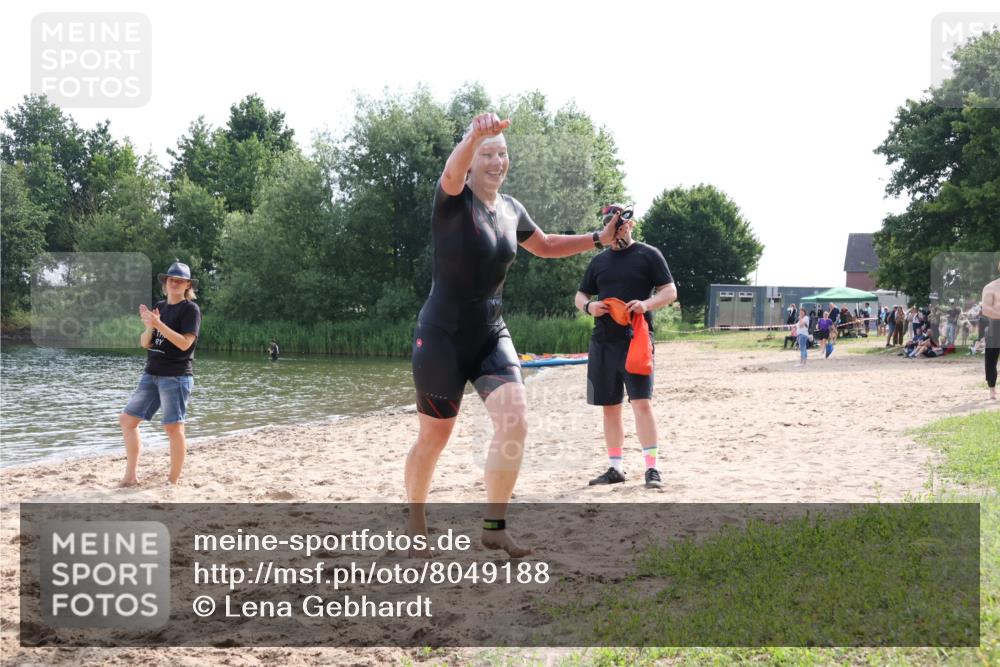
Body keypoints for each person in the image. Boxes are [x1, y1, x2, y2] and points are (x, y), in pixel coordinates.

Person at [407, 113, 620, 557]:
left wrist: (597, 239)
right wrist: (472, 136)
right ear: (471, 159)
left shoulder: (510, 209)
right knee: (434, 439)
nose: (495, 161)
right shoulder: (452, 199)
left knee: (515, 420)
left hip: (490, 334)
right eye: (486, 153)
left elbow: (544, 245)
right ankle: (415, 521)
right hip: (442, 336)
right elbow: (450, 170)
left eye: (501, 153)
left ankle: (494, 526)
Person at [575, 207, 676, 489]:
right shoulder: (599, 261)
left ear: (629, 224)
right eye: (609, 224)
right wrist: (589, 306)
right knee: (609, 407)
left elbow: (670, 291)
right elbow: (580, 294)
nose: (614, 228)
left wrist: (646, 304)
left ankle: (652, 468)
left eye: (618, 223)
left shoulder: (648, 254)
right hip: (603, 342)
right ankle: (615, 468)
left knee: (641, 403)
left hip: (637, 340)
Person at [119, 262, 202, 486]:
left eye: (180, 280)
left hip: (175, 375)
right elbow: (146, 343)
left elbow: (185, 344)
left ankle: (172, 481)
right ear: (166, 283)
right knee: (127, 420)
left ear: (187, 285)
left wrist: (159, 324)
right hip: (151, 374)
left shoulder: (190, 310)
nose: (174, 282)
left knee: (173, 426)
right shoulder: (160, 306)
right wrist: (150, 326)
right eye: (171, 279)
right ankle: (130, 476)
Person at [982, 268, 1000, 400]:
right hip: (995, 325)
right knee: (991, 360)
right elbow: (986, 310)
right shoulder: (990, 287)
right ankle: (992, 389)